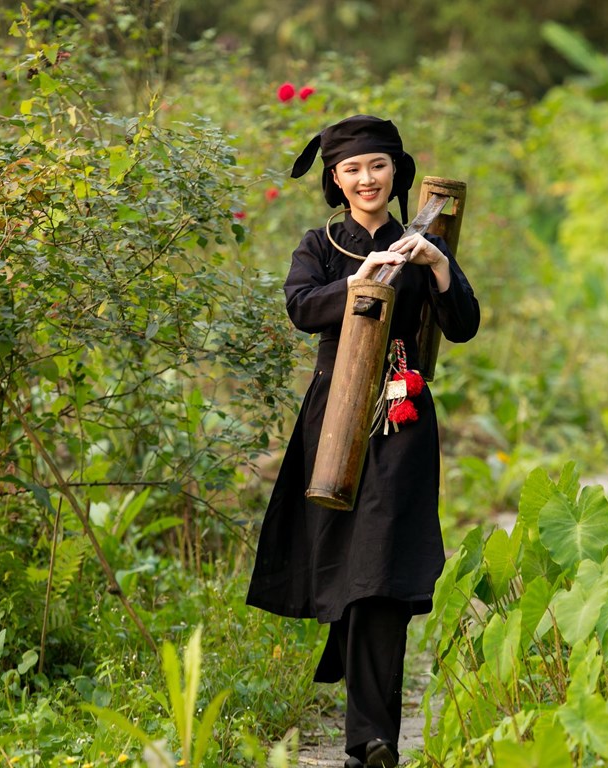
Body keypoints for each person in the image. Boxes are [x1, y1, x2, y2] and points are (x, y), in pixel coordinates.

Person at [246, 115, 480, 767]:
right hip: (333, 421)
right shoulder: (318, 246)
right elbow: (299, 306)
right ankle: (363, 709)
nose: (366, 178)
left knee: (382, 572)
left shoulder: (421, 243)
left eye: (377, 166)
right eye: (351, 169)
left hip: (401, 419)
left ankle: (370, 742)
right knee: (347, 571)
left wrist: (435, 263)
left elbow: (462, 325)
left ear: (397, 172)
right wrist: (359, 280)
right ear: (335, 180)